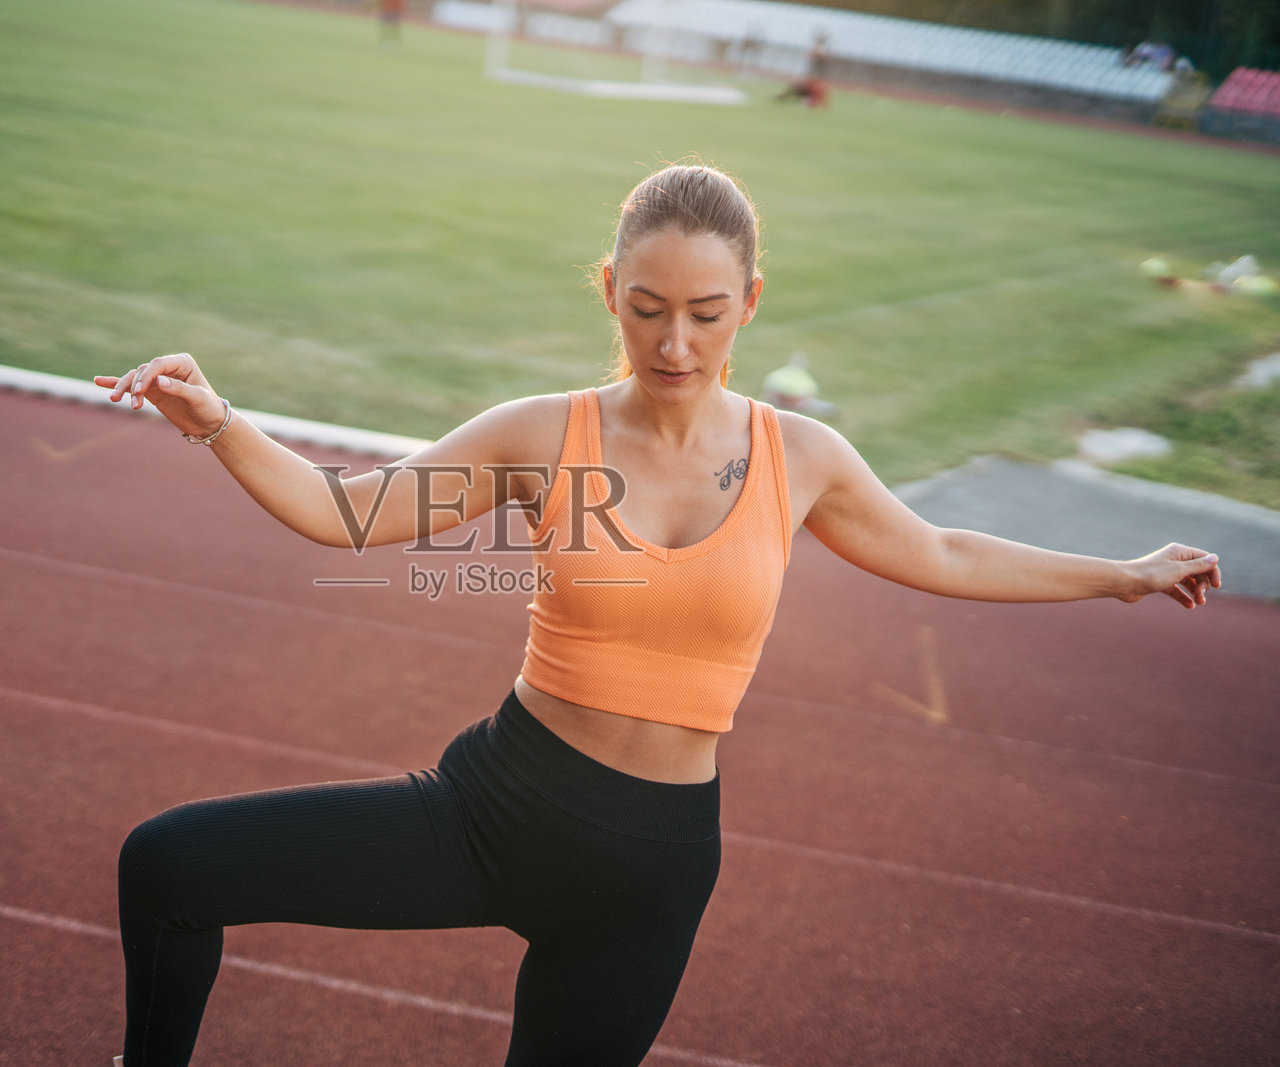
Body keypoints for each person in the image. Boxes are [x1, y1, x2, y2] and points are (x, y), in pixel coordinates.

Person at [94, 163, 1221, 1067]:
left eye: (704, 313)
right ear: (609, 293)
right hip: (494, 808)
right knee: (171, 866)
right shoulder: (540, 434)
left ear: (751, 306)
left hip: (647, 870)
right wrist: (216, 421)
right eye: (645, 310)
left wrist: (1120, 571)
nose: (674, 345)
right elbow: (345, 513)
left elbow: (941, 549)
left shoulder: (803, 457)